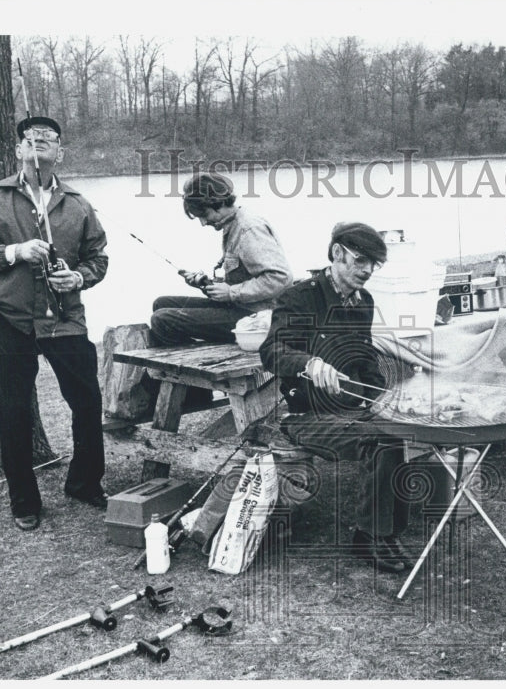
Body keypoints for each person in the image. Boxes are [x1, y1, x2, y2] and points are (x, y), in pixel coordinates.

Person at [0, 116, 110, 531]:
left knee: (86, 401)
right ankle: (24, 500)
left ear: (60, 152)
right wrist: (15, 252)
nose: (39, 142)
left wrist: (78, 277)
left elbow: (98, 259)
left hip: (64, 318)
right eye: (31, 138)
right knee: (13, 409)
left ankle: (84, 482)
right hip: (10, 318)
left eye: (49, 139)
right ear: (18, 150)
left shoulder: (78, 204)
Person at [258, 222, 414, 574]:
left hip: (349, 410)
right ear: (337, 253)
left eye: (374, 264)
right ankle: (368, 535)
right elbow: (272, 351)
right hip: (304, 416)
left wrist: (384, 398)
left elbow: (364, 356)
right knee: (380, 439)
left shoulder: (364, 302)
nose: (368, 271)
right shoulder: (299, 297)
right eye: (360, 260)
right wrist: (309, 364)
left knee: (400, 428)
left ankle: (387, 533)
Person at [149, 172, 292, 346]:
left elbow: (280, 278)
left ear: (218, 203)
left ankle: (195, 361)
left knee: (162, 320)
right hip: (241, 307)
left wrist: (231, 292)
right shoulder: (231, 225)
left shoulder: (249, 229)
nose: (203, 223)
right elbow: (246, 276)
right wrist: (207, 284)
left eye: (204, 215)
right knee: (161, 303)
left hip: (260, 317)